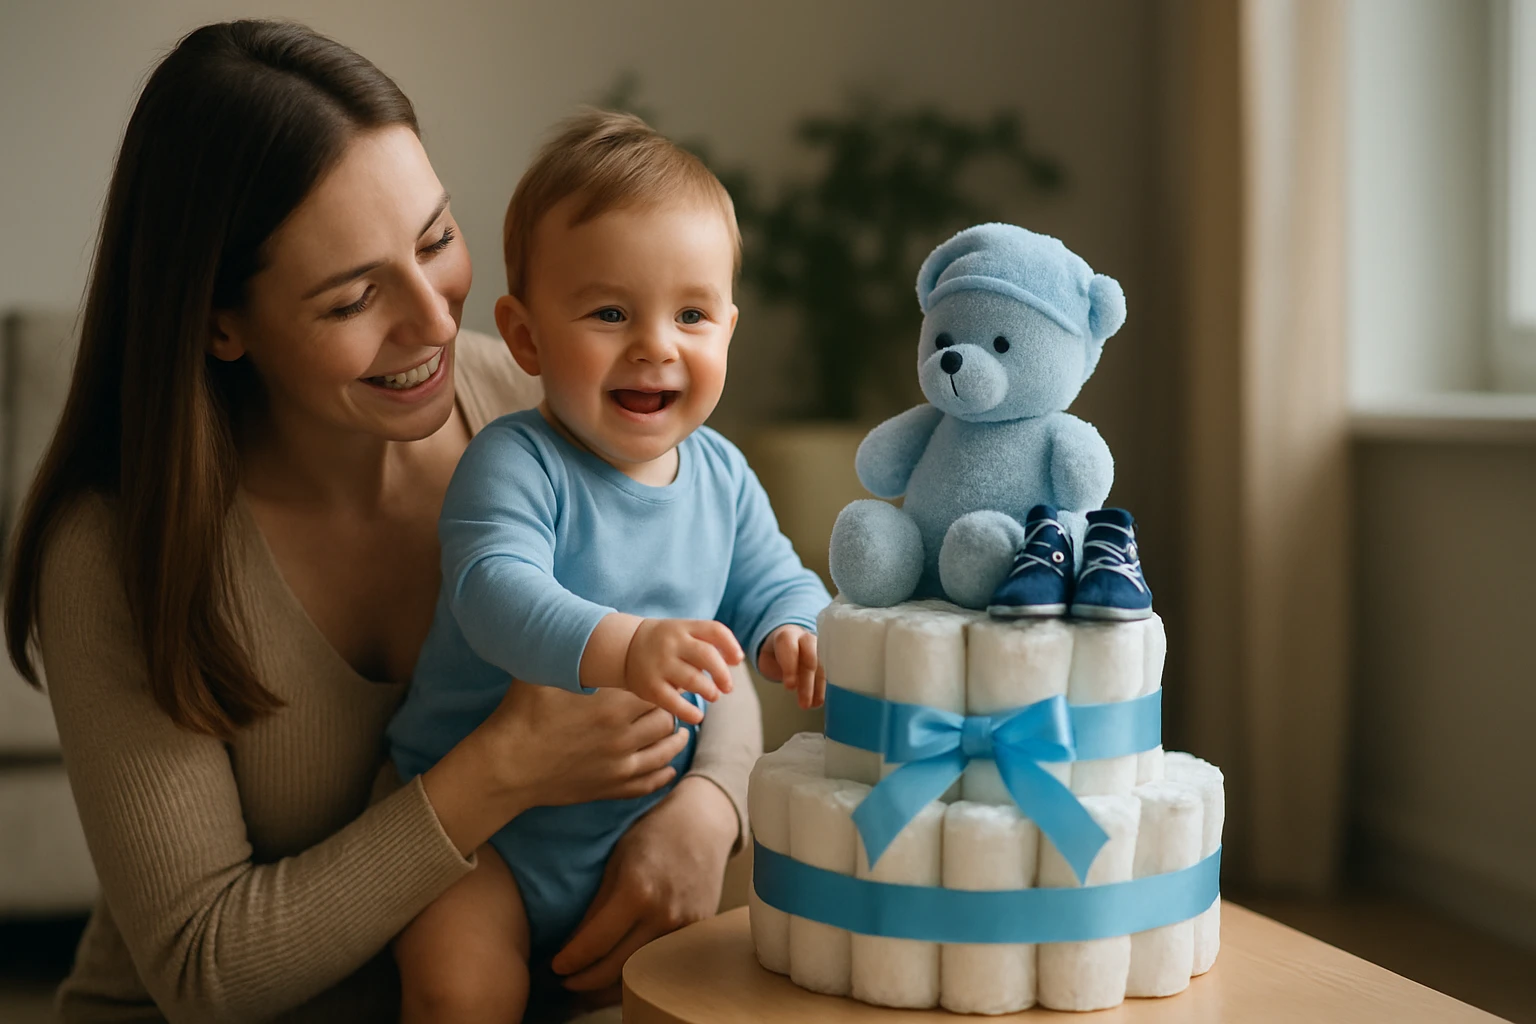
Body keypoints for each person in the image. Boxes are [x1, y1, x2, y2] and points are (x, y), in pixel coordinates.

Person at [3, 21, 759, 1023]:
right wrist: (494, 773)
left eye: (436, 240)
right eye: (356, 295)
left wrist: (711, 807)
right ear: (219, 322)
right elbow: (202, 967)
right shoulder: (118, 549)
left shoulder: (521, 389)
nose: (436, 321)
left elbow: (707, 595)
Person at [385, 111, 830, 1022]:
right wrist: (626, 646)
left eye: (692, 313)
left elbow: (769, 578)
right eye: (610, 312)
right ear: (525, 338)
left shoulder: (722, 475)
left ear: (729, 330)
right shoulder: (518, 461)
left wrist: (796, 627)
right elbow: (492, 593)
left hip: (638, 825)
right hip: (485, 843)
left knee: (689, 997)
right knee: (458, 988)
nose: (656, 344)